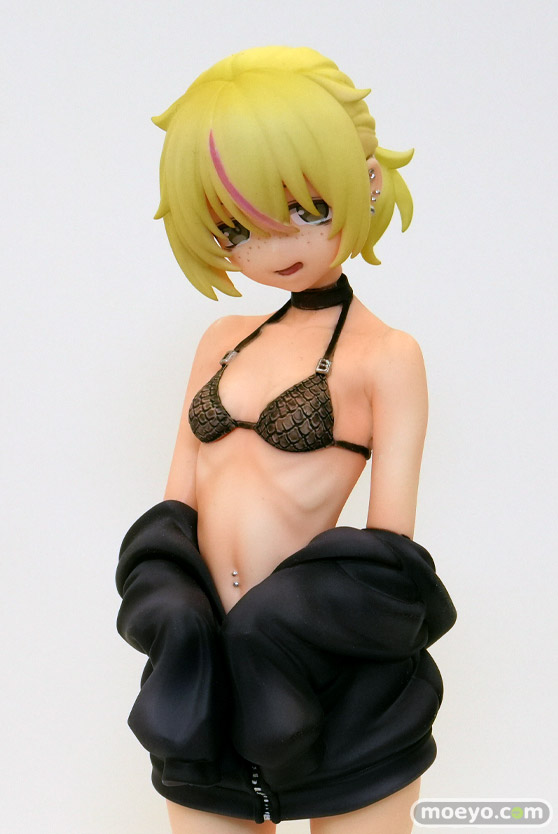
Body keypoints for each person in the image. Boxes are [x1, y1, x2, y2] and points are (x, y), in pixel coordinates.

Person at [115, 46, 457, 834]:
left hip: (334, 678)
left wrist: (279, 619)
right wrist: (171, 605)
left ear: (366, 180)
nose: (272, 248)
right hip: (205, 683)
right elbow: (175, 507)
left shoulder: (386, 356)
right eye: (236, 226)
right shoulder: (221, 341)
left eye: (306, 208)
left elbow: (391, 551)